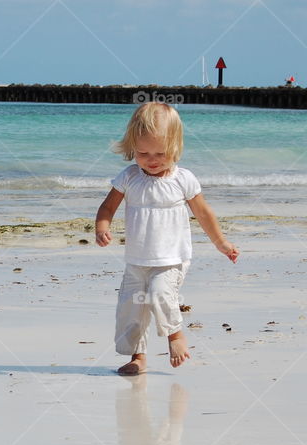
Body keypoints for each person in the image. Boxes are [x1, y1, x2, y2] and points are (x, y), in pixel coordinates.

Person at [95, 103, 239, 375]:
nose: (151, 159)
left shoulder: (182, 179)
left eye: (160, 153)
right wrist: (102, 227)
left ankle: (175, 336)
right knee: (132, 308)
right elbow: (107, 207)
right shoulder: (129, 177)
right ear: (131, 148)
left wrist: (221, 242)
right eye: (142, 152)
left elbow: (203, 213)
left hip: (171, 259)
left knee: (161, 293)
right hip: (137, 260)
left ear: (175, 147)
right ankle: (138, 357)